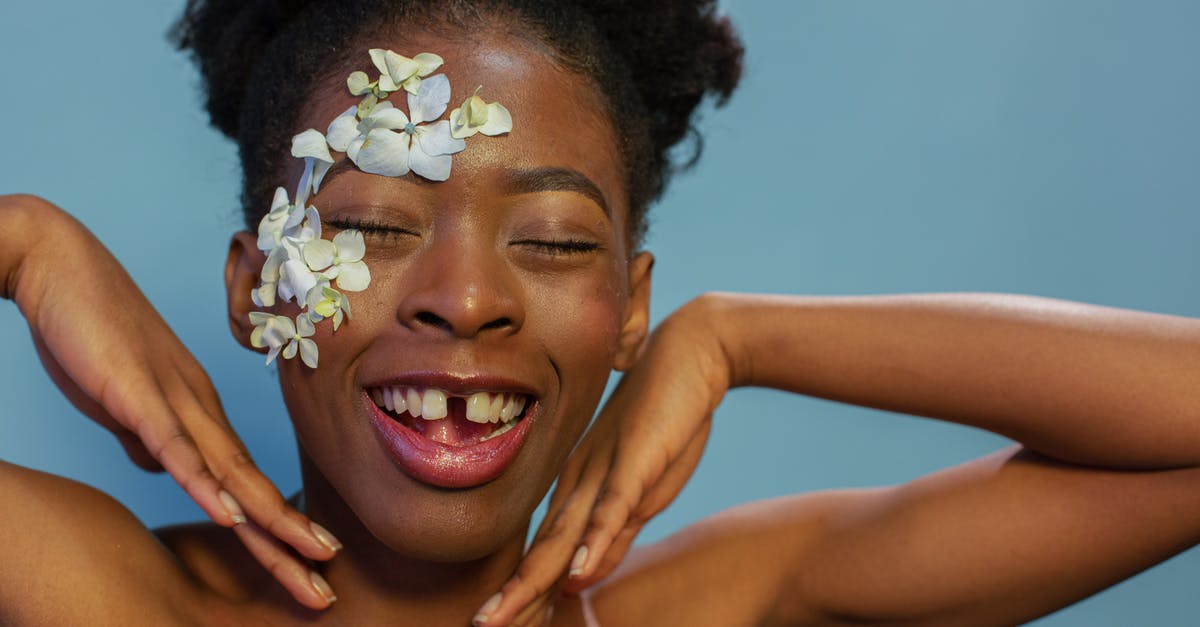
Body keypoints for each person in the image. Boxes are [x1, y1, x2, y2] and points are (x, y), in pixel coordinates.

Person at [2, 1, 1198, 625]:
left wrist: (738, 338)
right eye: (369, 229)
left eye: (555, 243)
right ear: (255, 286)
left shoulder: (720, 611)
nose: (467, 299)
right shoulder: (87, 596)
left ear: (629, 307)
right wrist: (26, 241)